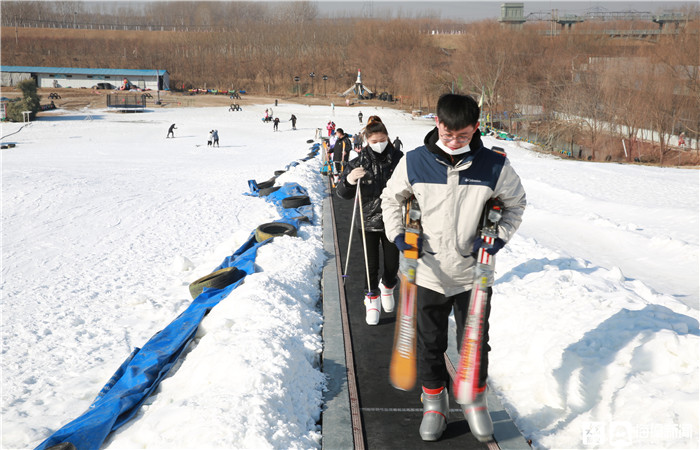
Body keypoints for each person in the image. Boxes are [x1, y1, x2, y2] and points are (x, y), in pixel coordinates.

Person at [380, 93, 526, 443]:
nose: (454, 141)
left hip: (471, 274)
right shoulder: (414, 162)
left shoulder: (494, 166)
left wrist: (498, 237)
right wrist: (398, 235)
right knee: (430, 341)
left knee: (475, 342)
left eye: (462, 135)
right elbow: (390, 198)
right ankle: (435, 401)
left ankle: (474, 399)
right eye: (448, 134)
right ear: (437, 124)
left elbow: (515, 205)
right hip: (426, 271)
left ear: (476, 128)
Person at [337, 116, 403, 325]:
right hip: (367, 221)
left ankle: (389, 285)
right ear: (367, 141)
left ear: (388, 138)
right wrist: (348, 180)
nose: (379, 144)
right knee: (370, 265)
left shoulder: (400, 159)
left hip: (394, 220)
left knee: (392, 264)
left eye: (382, 139)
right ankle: (371, 297)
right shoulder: (359, 162)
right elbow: (342, 193)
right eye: (374, 141)